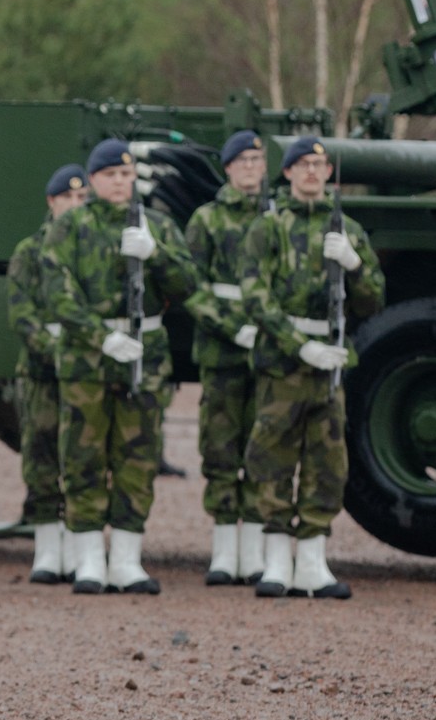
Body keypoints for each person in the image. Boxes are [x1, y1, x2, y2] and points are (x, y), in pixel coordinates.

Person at [38, 138, 201, 595]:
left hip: (144, 354)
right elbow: (57, 293)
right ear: (93, 180)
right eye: (110, 175)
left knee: (138, 459)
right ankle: (89, 558)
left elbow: (189, 285)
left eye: (126, 174)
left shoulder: (158, 226)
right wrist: (102, 337)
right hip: (87, 359)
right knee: (84, 457)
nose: (120, 182)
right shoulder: (70, 227)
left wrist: (155, 254)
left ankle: (127, 559)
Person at [240, 136, 382, 599]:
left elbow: (372, 300)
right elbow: (255, 297)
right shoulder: (268, 227)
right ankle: (276, 561)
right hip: (283, 362)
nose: (311, 172)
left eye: (318, 165)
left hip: (330, 361)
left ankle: (313, 562)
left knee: (327, 462)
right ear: (287, 173)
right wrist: (300, 346)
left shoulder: (346, 229)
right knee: (272, 456)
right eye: (302, 164)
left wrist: (354, 264)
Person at [184, 129, 272, 586]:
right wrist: (231, 326)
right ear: (228, 168)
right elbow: (191, 286)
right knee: (219, 447)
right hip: (221, 351)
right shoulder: (208, 220)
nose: (250, 169)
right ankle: (223, 548)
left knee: (261, 445)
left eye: (257, 160)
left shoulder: (277, 217)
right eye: (243, 162)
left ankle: (253, 549)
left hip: (268, 349)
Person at [6, 164, 88, 583]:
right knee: (40, 455)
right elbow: (21, 313)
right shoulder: (29, 251)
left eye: (82, 198)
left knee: (83, 456)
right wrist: (57, 351)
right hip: (42, 370)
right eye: (66, 198)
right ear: (51, 202)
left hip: (86, 370)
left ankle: (78, 546)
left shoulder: (94, 248)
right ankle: (46, 547)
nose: (74, 205)